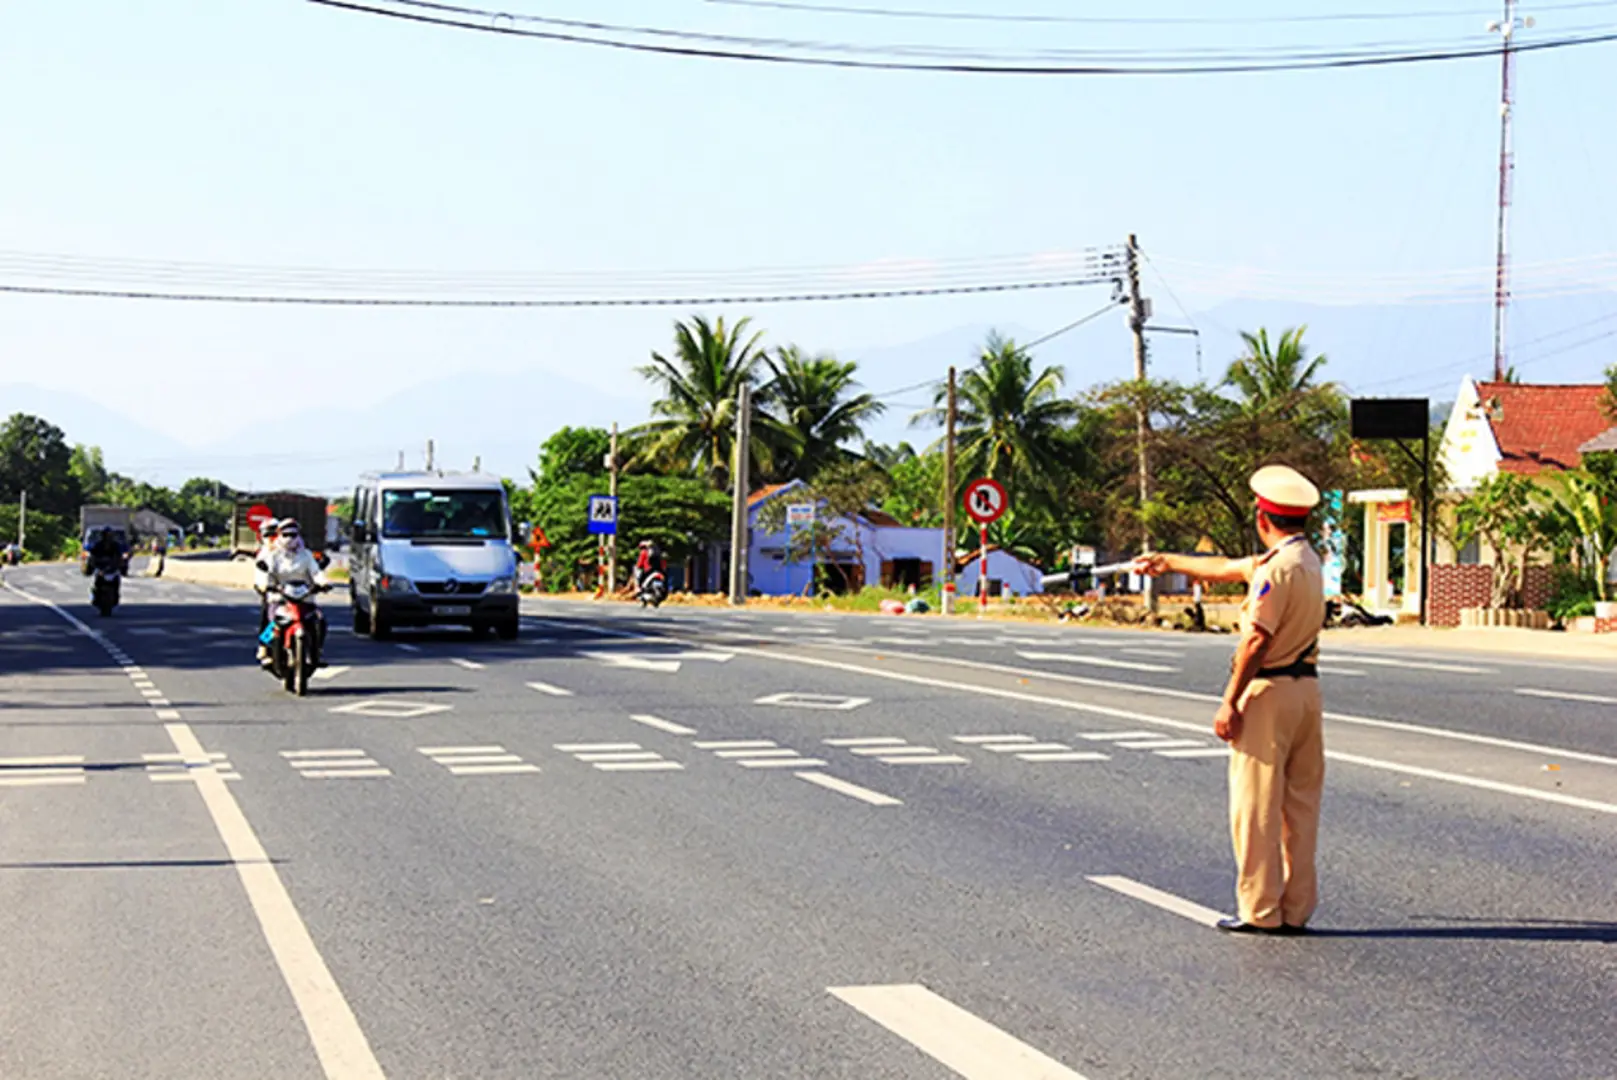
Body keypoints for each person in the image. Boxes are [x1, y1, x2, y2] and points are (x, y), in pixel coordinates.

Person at [1133, 464, 1325, 936]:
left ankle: (1260, 910)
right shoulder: (1306, 560)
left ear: (1262, 517)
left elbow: (1256, 640)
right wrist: (1169, 562)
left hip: (1270, 692)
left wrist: (1229, 701)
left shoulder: (1274, 571)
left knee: (1257, 806)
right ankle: (1296, 909)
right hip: (1307, 693)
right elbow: (1223, 567)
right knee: (1300, 807)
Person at [259, 519, 327, 664]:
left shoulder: (306, 555)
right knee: (272, 623)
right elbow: (267, 573)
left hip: (304, 597)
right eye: (286, 534)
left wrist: (323, 583)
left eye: (293, 534)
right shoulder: (274, 556)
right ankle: (267, 650)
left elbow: (316, 572)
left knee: (320, 621)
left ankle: (317, 651)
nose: (290, 538)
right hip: (280, 598)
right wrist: (266, 585)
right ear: (279, 535)